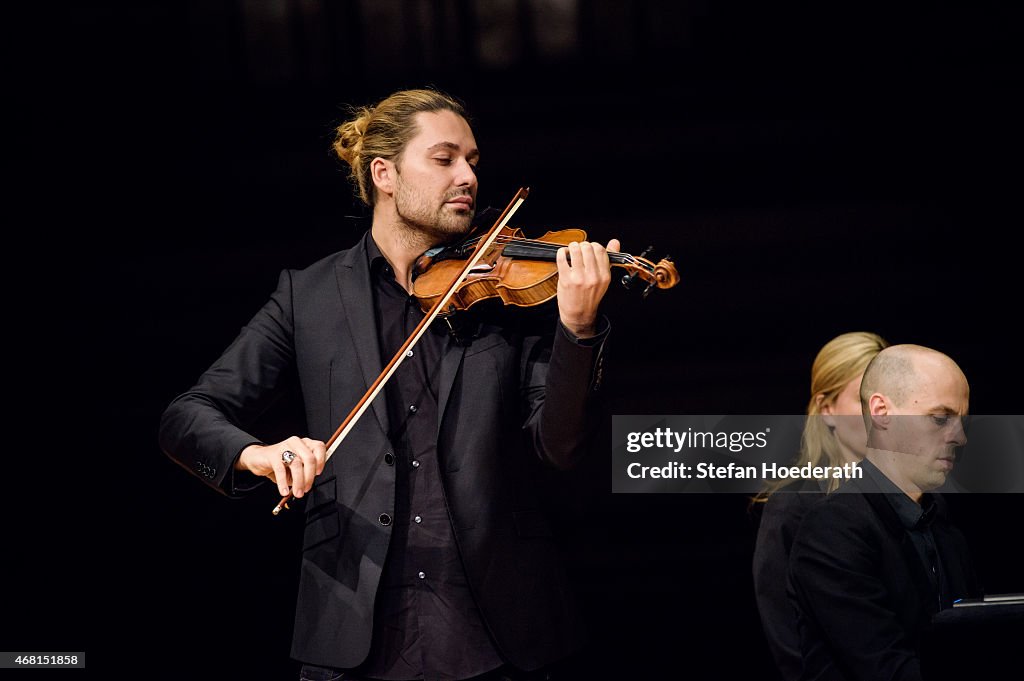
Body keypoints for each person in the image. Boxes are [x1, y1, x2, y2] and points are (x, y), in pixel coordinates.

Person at [158, 88, 619, 680]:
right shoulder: (309, 295)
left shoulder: (506, 293)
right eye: (445, 158)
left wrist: (577, 329)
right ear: (385, 174)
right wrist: (258, 454)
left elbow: (559, 447)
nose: (469, 177)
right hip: (352, 637)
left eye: (473, 161)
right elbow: (188, 415)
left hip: (499, 637)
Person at [788, 344, 979, 681]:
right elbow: (886, 669)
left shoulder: (944, 525)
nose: (960, 437)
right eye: (940, 417)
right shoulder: (832, 528)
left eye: (962, 421)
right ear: (881, 411)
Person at [751, 331, 888, 680]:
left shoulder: (913, 496)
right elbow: (787, 638)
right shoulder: (794, 505)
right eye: (862, 400)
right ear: (827, 410)